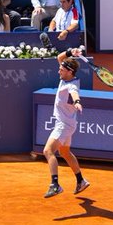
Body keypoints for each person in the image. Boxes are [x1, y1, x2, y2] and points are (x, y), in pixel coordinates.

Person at [43, 48, 90, 198]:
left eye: (61, 70)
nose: (59, 71)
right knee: (64, 152)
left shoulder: (72, 85)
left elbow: (74, 93)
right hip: (68, 124)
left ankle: (55, 184)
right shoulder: (65, 78)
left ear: (70, 72)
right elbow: (59, 57)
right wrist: (71, 52)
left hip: (64, 125)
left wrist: (77, 102)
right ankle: (81, 180)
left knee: (48, 151)